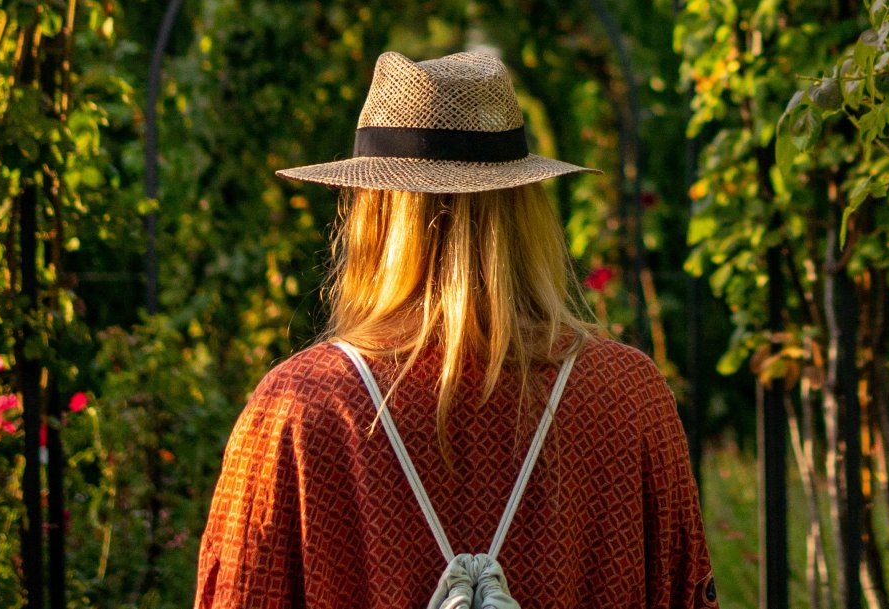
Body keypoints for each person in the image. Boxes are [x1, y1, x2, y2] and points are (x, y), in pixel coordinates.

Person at [194, 50, 718, 609]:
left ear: (373, 210)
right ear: (529, 205)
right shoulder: (627, 397)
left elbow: (238, 592)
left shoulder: (297, 410)